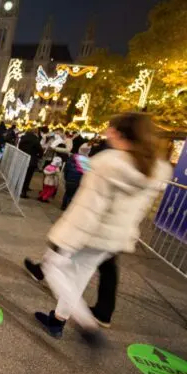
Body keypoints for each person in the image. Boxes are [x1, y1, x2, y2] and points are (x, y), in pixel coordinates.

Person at [32, 112, 172, 343]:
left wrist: (62, 238)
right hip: (114, 238)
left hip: (89, 232)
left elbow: (86, 208)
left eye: (111, 129)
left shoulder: (109, 163)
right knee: (78, 278)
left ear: (120, 134)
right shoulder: (153, 169)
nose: (107, 133)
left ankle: (87, 325)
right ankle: (58, 321)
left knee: (52, 267)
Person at [61, 144, 91, 210]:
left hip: (69, 178)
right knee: (74, 194)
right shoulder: (88, 161)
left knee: (67, 192)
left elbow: (66, 168)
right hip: (79, 180)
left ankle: (63, 205)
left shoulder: (72, 157)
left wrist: (66, 177)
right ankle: (69, 207)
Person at [18, 129, 44, 198]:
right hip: (32, 160)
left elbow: (19, 147)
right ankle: (24, 192)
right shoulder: (35, 140)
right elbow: (40, 150)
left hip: (23, 158)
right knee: (28, 176)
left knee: (22, 174)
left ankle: (20, 188)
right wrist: (39, 156)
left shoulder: (23, 138)